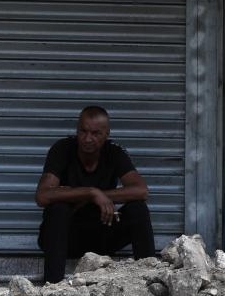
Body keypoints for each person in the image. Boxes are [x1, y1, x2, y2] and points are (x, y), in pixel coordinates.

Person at [35, 106, 156, 283]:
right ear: (77, 130)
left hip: (102, 235)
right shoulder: (63, 149)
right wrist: (91, 192)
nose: (87, 139)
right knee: (57, 210)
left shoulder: (113, 152)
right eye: (83, 131)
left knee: (138, 209)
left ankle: (150, 281)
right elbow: (42, 196)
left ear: (107, 134)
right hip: (67, 237)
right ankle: (52, 287)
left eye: (95, 133)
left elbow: (141, 190)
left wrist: (103, 195)